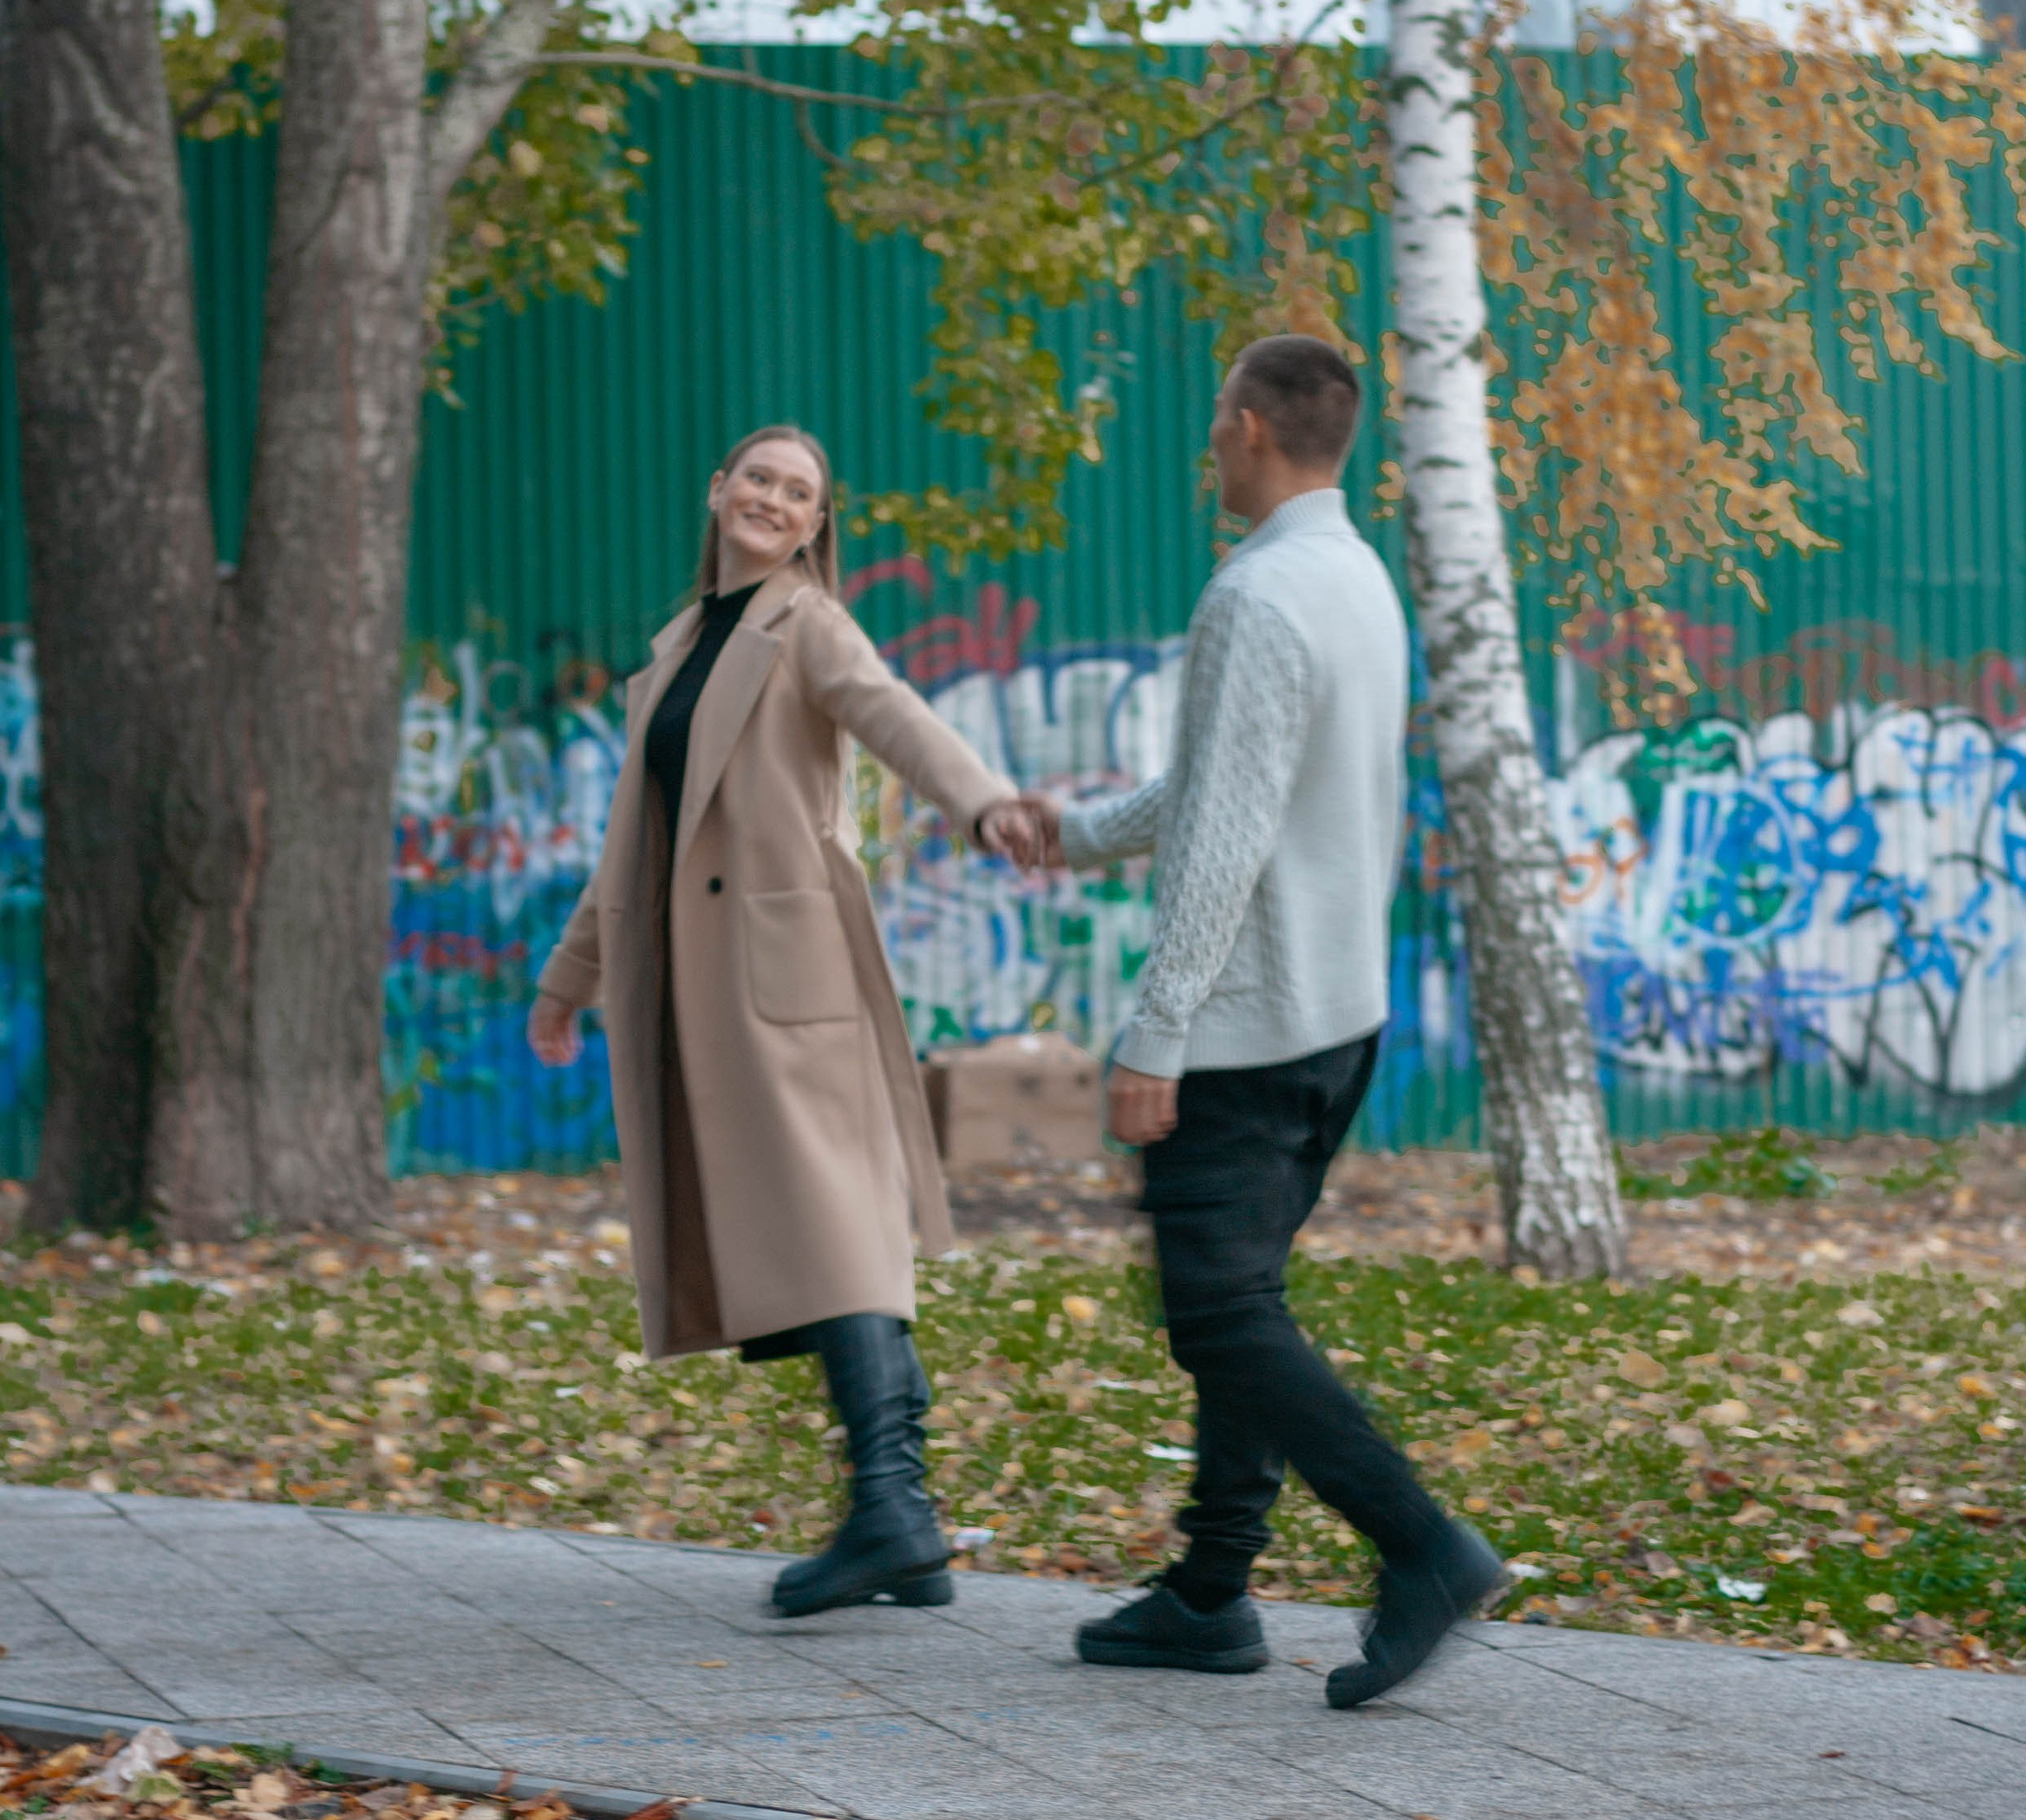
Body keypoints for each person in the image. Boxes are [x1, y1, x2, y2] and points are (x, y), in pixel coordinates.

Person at [1025, 336, 1504, 1707]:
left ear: (1245, 429)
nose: (1211, 449)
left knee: (1223, 1315)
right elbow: (1225, 784)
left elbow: (1228, 833)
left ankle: (1421, 1547)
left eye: (1213, 428)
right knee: (1246, 1304)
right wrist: (1075, 833)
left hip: (1245, 1026)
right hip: (1338, 1017)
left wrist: (1154, 1033)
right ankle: (1211, 1591)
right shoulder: (1355, 579)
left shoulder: (1254, 595)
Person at [528, 424, 1040, 1619]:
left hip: (786, 974)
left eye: (797, 492)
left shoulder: (806, 622)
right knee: (825, 1232)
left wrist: (986, 805)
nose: (772, 498)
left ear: (816, 526)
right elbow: (630, 843)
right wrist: (569, 980)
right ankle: (896, 1511)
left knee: (834, 1229)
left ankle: (893, 1511)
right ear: (717, 492)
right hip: (707, 984)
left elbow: (894, 713)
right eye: (758, 477)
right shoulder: (679, 648)